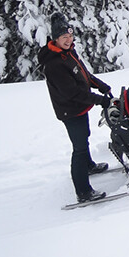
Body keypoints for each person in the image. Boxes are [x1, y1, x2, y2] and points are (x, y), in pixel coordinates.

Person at [37, 14, 113, 205]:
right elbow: (73, 93)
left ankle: (88, 166)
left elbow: (84, 75)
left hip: (78, 106)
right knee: (79, 147)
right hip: (70, 109)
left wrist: (100, 85)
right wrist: (100, 100)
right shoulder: (54, 64)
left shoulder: (68, 52)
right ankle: (83, 191)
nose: (69, 40)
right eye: (64, 38)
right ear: (55, 39)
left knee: (84, 136)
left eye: (70, 36)